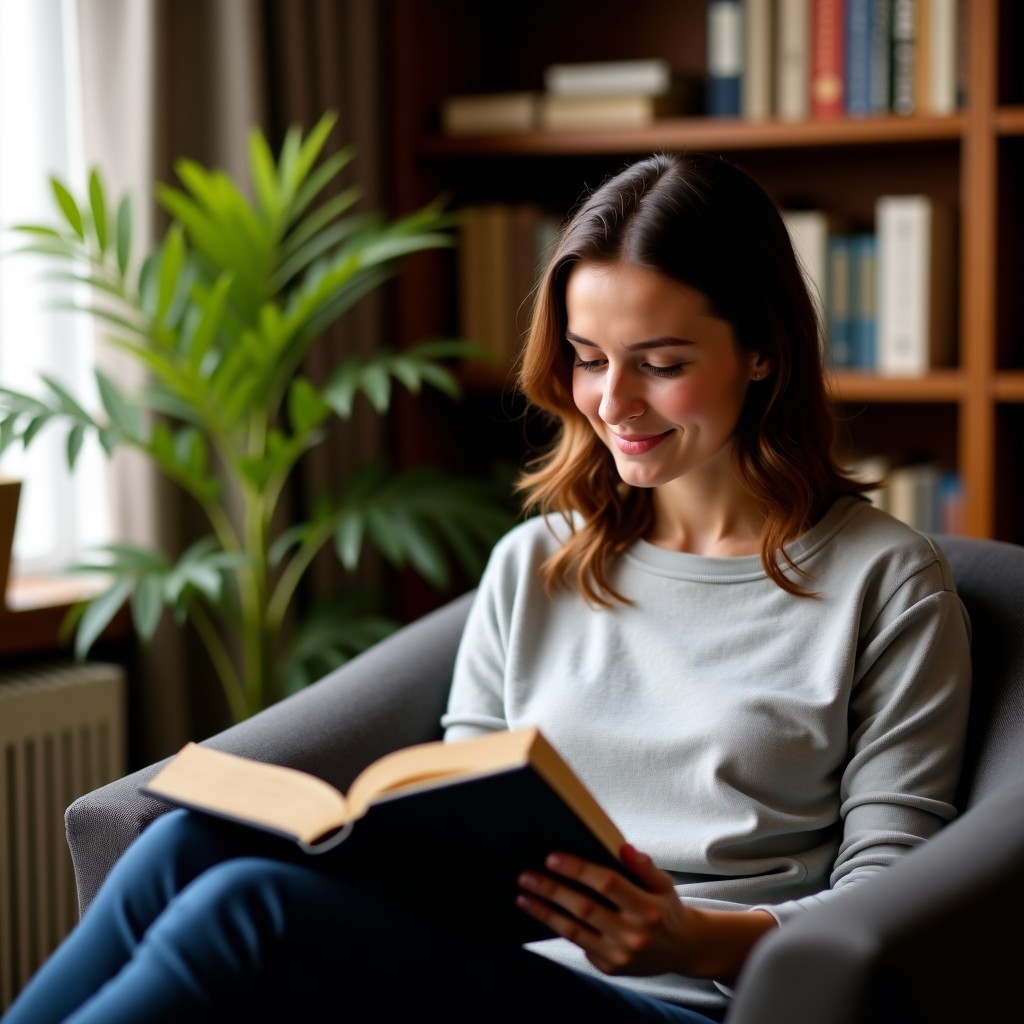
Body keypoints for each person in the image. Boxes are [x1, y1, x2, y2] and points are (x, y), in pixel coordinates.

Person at [6, 152, 971, 1024]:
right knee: (180, 852)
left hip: (681, 1002)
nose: (613, 404)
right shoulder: (539, 562)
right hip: (492, 967)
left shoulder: (883, 582)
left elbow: (895, 892)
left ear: (762, 351)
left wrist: (697, 937)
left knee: (243, 909)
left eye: (662, 365)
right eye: (589, 360)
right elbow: (465, 814)